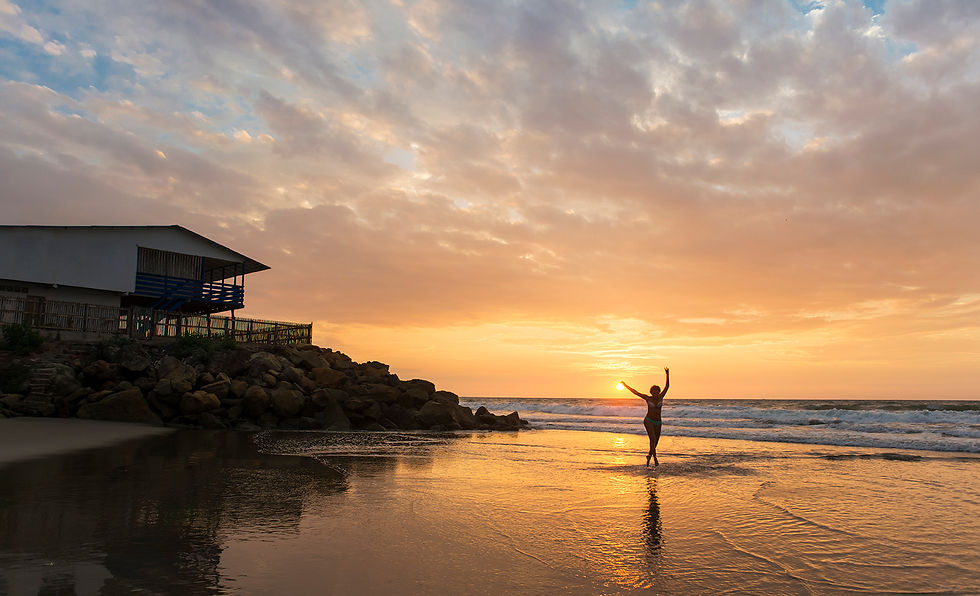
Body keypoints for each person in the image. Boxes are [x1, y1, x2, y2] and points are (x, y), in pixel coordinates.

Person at [621, 367, 669, 467]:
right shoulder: (647, 398)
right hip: (649, 421)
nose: (656, 392)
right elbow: (636, 392)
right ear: (651, 392)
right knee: (652, 439)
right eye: (654, 391)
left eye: (657, 391)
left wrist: (667, 374)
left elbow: (667, 386)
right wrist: (625, 385)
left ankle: (649, 456)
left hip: (658, 422)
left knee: (656, 442)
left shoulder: (661, 397)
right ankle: (655, 459)